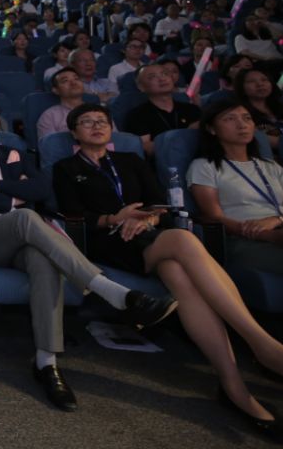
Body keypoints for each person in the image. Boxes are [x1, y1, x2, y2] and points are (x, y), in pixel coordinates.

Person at [58, 102, 283, 440]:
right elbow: (73, 215)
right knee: (182, 240)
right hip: (105, 241)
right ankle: (260, 342)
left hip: (148, 236)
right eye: (86, 122)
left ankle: (234, 387)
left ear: (111, 128)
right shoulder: (66, 167)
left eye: (102, 121)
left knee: (180, 277)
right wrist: (115, 219)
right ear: (74, 133)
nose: (95, 126)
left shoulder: (131, 160)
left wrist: (147, 217)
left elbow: (161, 203)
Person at [0, 96, 176, 411]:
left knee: (44, 260)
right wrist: (14, 195)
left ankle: (47, 361)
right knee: (28, 217)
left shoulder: (16, 152)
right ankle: (107, 289)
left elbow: (40, 190)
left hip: (23, 240)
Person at [189, 99, 283, 277]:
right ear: (212, 129)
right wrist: (266, 235)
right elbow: (213, 217)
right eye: (230, 119)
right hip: (243, 239)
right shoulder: (204, 166)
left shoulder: (271, 166)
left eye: (247, 118)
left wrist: (277, 220)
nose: (242, 125)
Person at [124, 64, 201, 155]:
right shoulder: (137, 115)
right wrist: (185, 135)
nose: (162, 79)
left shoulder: (191, 109)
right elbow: (146, 147)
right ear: (141, 87)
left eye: (165, 74)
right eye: (152, 77)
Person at [36, 67, 96, 142]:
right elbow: (50, 148)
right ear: (56, 90)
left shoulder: (99, 111)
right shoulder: (49, 116)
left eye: (76, 79)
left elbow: (114, 140)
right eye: (65, 80)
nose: (73, 83)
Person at [234, 67, 283, 151]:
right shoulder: (240, 115)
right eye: (251, 81)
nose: (260, 84)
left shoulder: (280, 106)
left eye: (264, 80)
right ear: (242, 88)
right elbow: (269, 142)